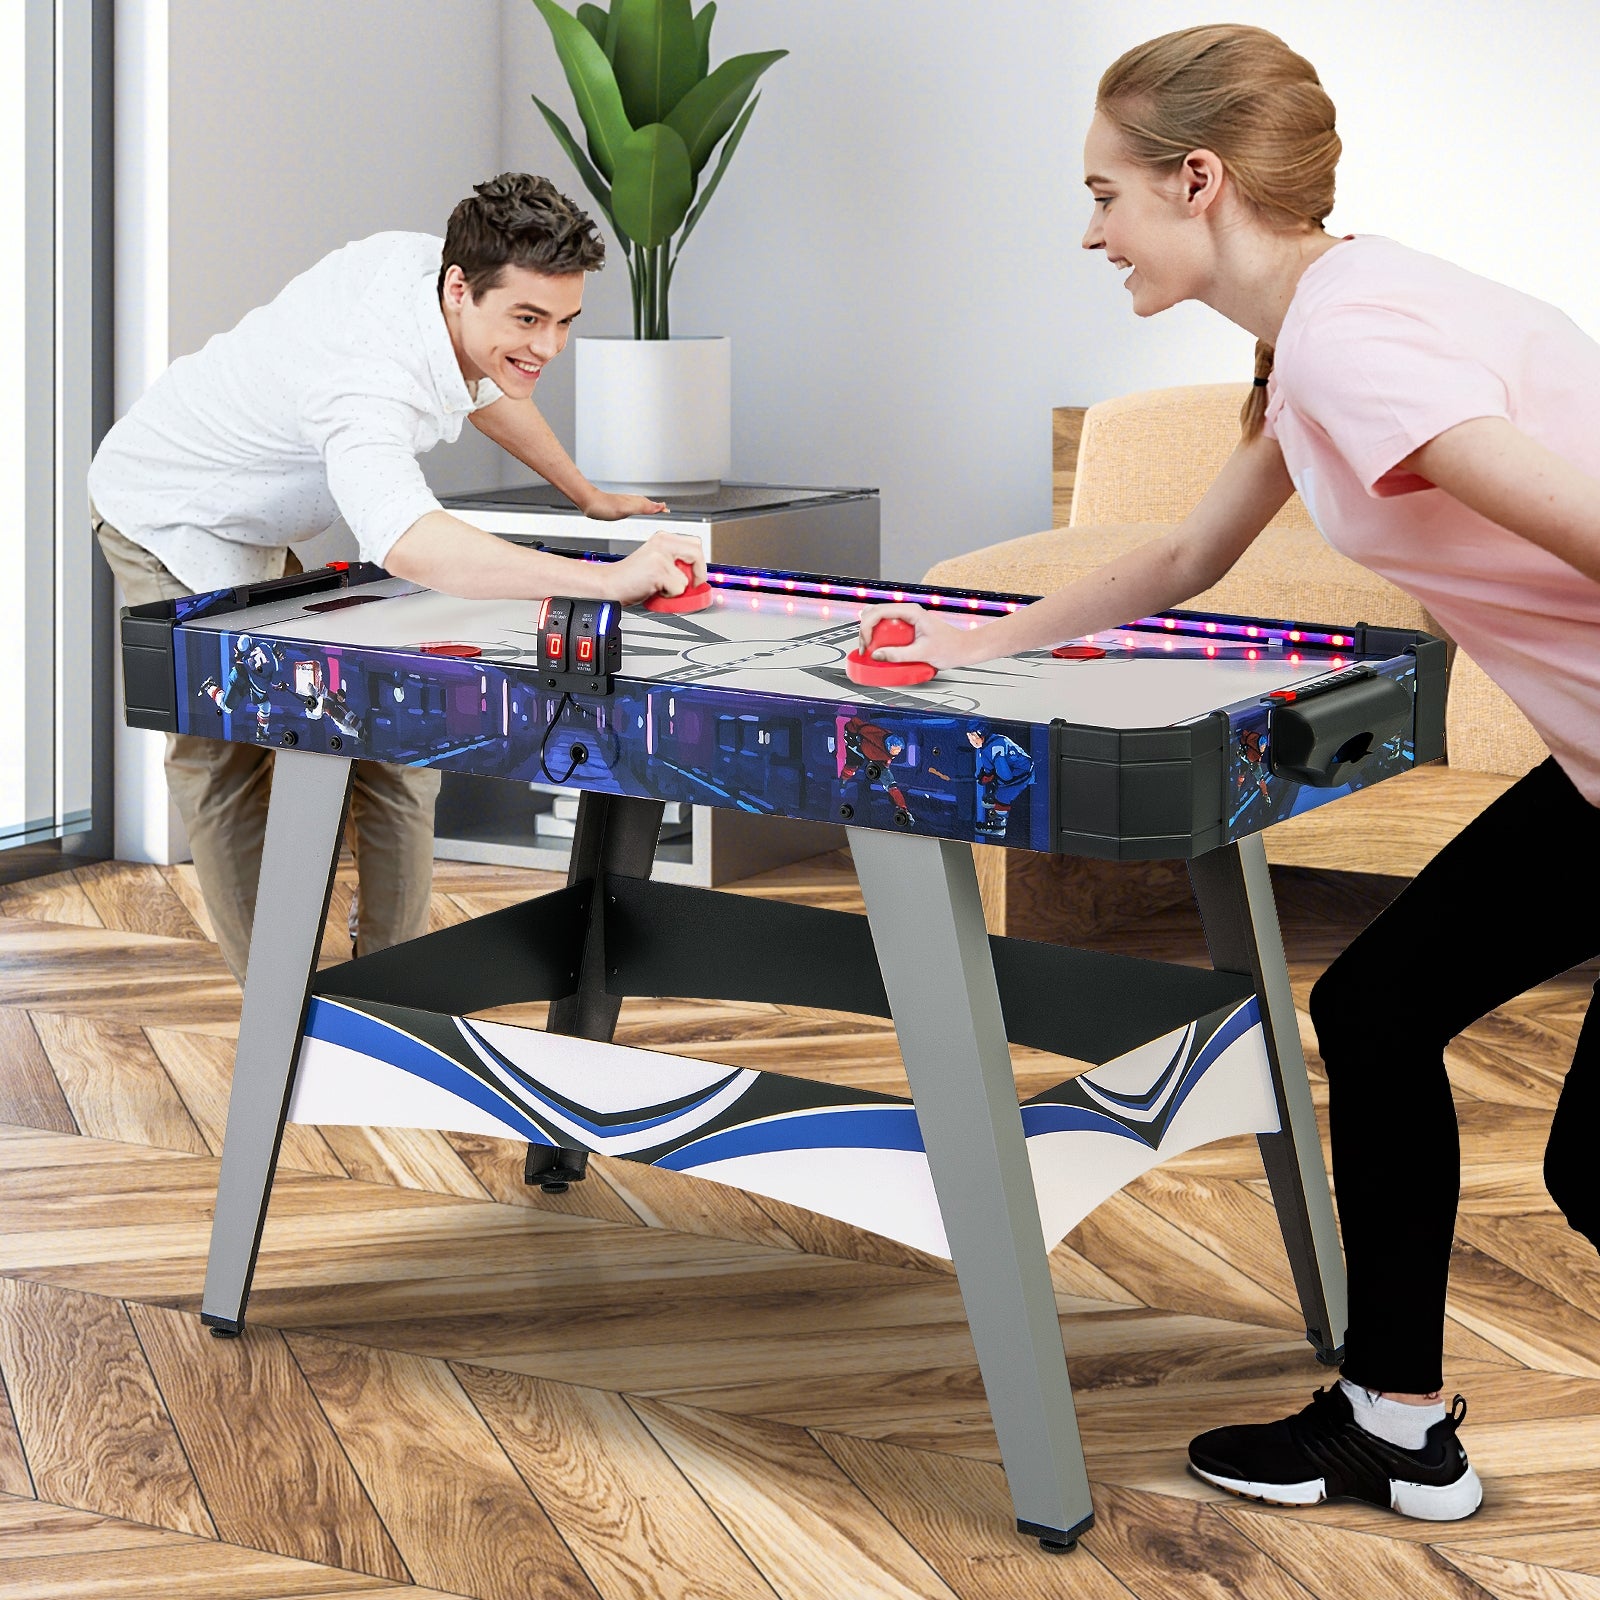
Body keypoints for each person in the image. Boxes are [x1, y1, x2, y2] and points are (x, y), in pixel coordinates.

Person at [861, 23, 1600, 1522]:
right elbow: (1187, 556)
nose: (1089, 228)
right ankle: (1392, 1422)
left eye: (1106, 193)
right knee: (1380, 1005)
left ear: (1198, 179)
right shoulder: (1316, 327)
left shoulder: (1356, 336)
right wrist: (962, 651)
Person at [91, 173, 704, 984]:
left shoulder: (432, 274)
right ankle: (287, 1005)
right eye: (529, 318)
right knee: (225, 753)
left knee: (399, 746)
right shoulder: (365, 377)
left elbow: (489, 376)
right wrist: (606, 581)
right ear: (462, 289)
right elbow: (410, 542)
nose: (548, 346)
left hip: (255, 514)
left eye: (563, 321)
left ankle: (393, 986)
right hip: (165, 506)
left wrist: (586, 494)